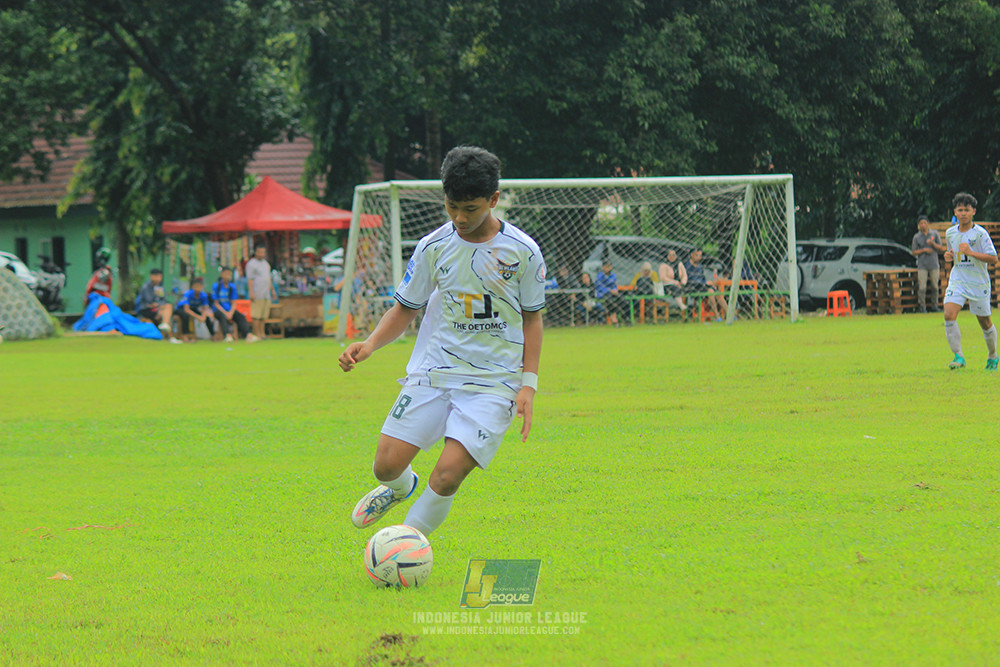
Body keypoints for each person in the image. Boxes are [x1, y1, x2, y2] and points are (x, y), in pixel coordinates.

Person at [339, 145, 545, 538]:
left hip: (494, 381)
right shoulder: (434, 247)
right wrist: (369, 345)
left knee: (448, 475)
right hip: (436, 371)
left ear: (493, 200)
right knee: (385, 467)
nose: (460, 218)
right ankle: (402, 488)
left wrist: (528, 385)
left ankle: (403, 547)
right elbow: (405, 308)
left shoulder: (523, 252)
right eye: (452, 206)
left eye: (470, 209)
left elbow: (533, 319)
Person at [942, 192, 998, 370]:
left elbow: (993, 258)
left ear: (973, 211)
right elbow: (953, 255)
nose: (963, 213)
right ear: (955, 212)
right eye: (960, 210)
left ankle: (993, 355)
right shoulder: (950, 233)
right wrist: (948, 257)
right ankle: (958, 356)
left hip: (978, 282)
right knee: (949, 315)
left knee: (985, 322)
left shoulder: (980, 234)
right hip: (958, 279)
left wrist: (971, 252)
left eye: (967, 210)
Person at [136, 268, 180, 342]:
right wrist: (158, 304)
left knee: (167, 309)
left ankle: (166, 327)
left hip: (157, 309)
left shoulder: (160, 287)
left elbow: (163, 300)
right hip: (146, 310)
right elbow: (149, 301)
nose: (158, 278)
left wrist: (159, 306)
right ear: (152, 276)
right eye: (156, 276)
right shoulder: (146, 287)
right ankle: (169, 334)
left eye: (160, 276)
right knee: (166, 311)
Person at [912, 214, 944, 313]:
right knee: (922, 287)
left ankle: (935, 306)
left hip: (934, 264)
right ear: (918, 225)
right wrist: (924, 250)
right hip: (922, 265)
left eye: (924, 223)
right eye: (921, 223)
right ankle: (922, 307)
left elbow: (941, 248)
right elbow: (914, 252)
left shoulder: (934, 234)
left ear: (928, 224)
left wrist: (933, 244)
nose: (923, 225)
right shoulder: (916, 237)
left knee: (935, 286)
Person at [212, 267, 253, 342]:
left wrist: (231, 312)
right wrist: (225, 313)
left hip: (229, 310)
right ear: (222, 274)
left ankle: (248, 335)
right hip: (218, 310)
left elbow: (234, 302)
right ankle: (227, 336)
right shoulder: (216, 286)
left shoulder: (232, 287)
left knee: (240, 316)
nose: (228, 276)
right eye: (226, 274)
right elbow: (216, 303)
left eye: (229, 274)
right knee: (222, 316)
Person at [245, 243, 277, 341]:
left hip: (266, 293)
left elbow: (268, 278)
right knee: (256, 315)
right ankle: (256, 334)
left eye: (263, 252)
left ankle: (262, 334)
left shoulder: (266, 264)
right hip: (257, 292)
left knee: (263, 315)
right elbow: (250, 279)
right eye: (259, 252)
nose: (261, 254)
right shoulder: (251, 264)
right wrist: (251, 292)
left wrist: (273, 290)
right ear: (255, 252)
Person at [684, 248, 726, 320]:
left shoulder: (700, 266)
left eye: (700, 256)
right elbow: (691, 280)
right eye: (697, 255)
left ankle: (731, 314)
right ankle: (717, 316)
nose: (699, 258)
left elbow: (702, 278)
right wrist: (705, 282)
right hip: (693, 287)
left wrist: (709, 283)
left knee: (718, 294)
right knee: (710, 291)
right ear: (692, 255)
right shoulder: (687, 266)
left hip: (703, 286)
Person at [177, 277, 215, 341]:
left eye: (199, 286)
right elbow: (186, 309)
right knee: (186, 316)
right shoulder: (188, 294)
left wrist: (203, 317)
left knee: (207, 318)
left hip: (193, 308)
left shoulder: (203, 295)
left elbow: (204, 308)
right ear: (193, 286)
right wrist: (198, 317)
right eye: (196, 286)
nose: (198, 288)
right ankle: (185, 335)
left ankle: (213, 335)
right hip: (181, 309)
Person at [594, 260, 625, 326]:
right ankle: (613, 317)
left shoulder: (613, 275)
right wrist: (609, 290)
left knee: (622, 298)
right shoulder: (599, 276)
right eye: (606, 266)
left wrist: (615, 290)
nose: (608, 268)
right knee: (609, 300)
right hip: (602, 293)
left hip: (612, 293)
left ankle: (623, 318)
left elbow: (614, 285)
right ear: (603, 267)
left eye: (609, 266)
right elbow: (599, 287)